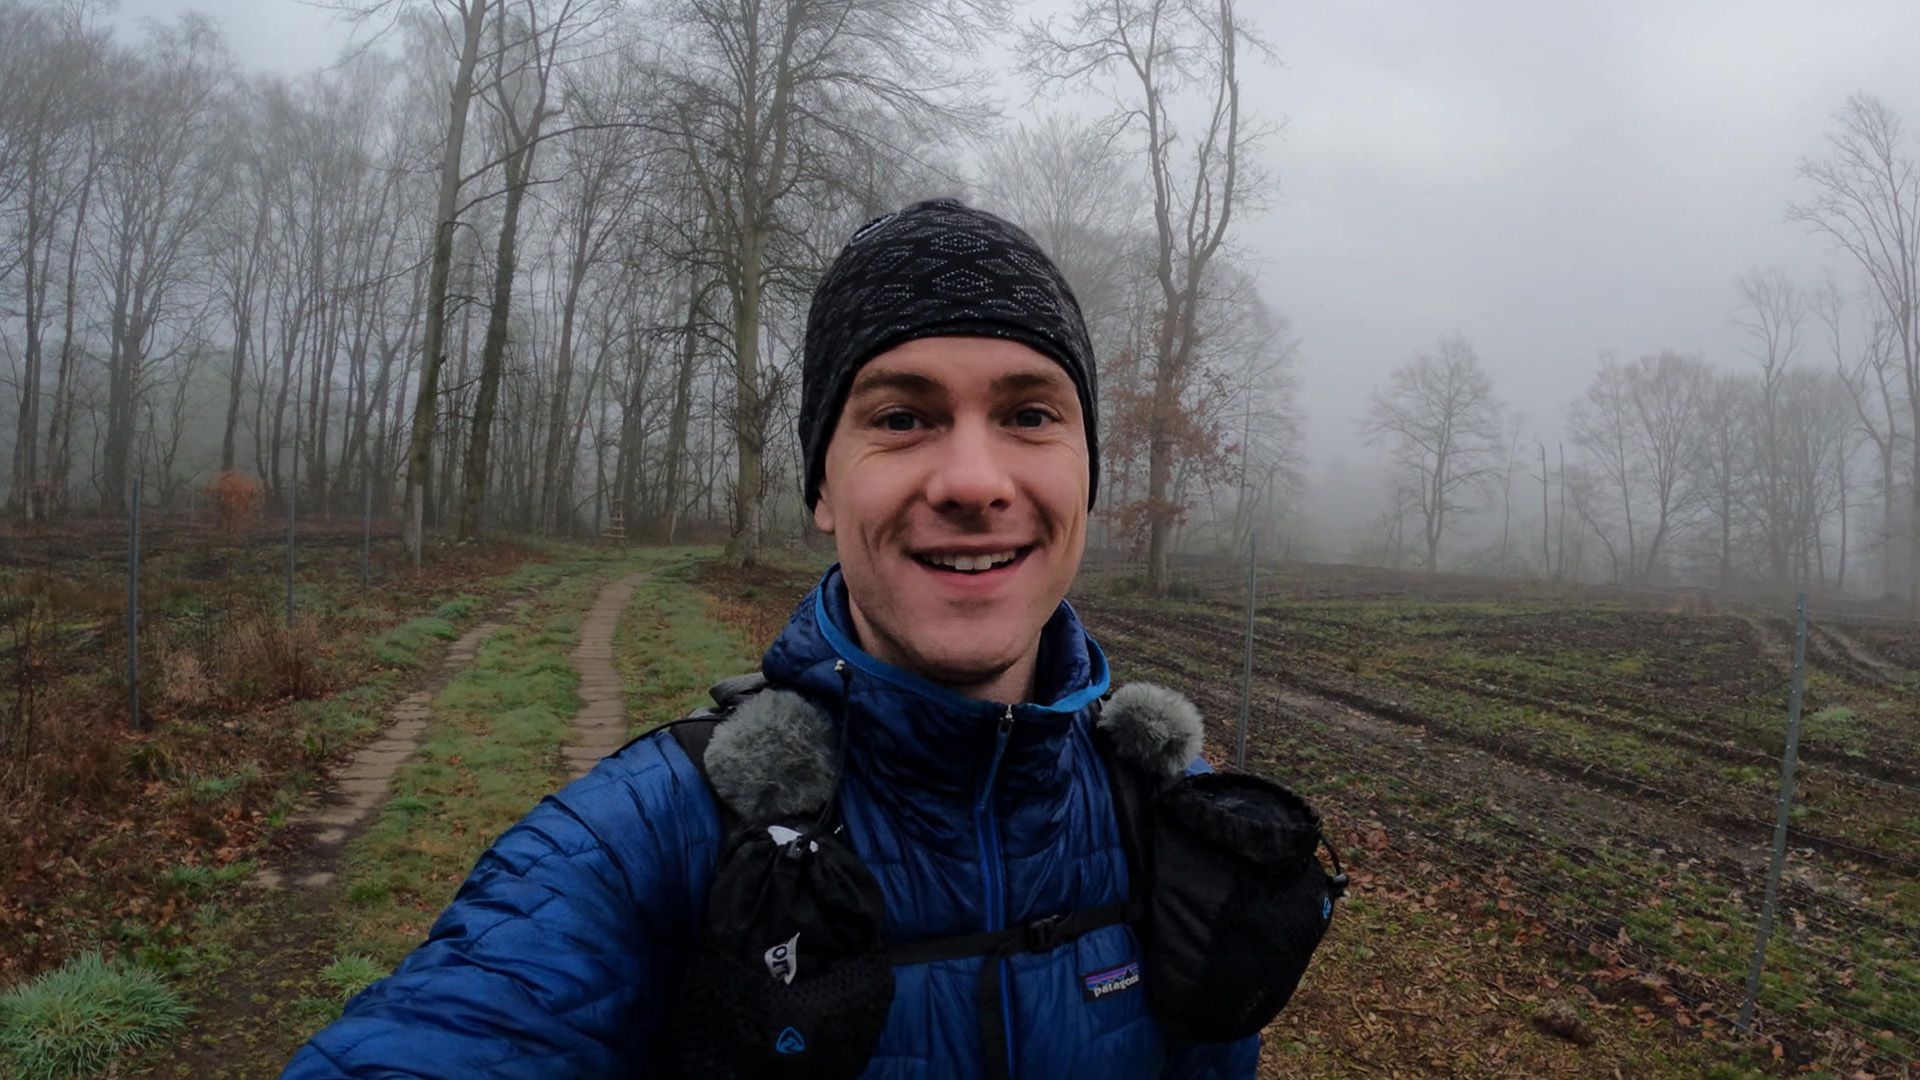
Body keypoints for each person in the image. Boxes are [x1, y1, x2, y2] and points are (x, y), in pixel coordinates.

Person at [284, 199, 1263, 1078]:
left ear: (1086, 476)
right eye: (903, 415)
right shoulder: (644, 846)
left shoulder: (1178, 825)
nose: (974, 479)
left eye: (1031, 414)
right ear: (824, 488)